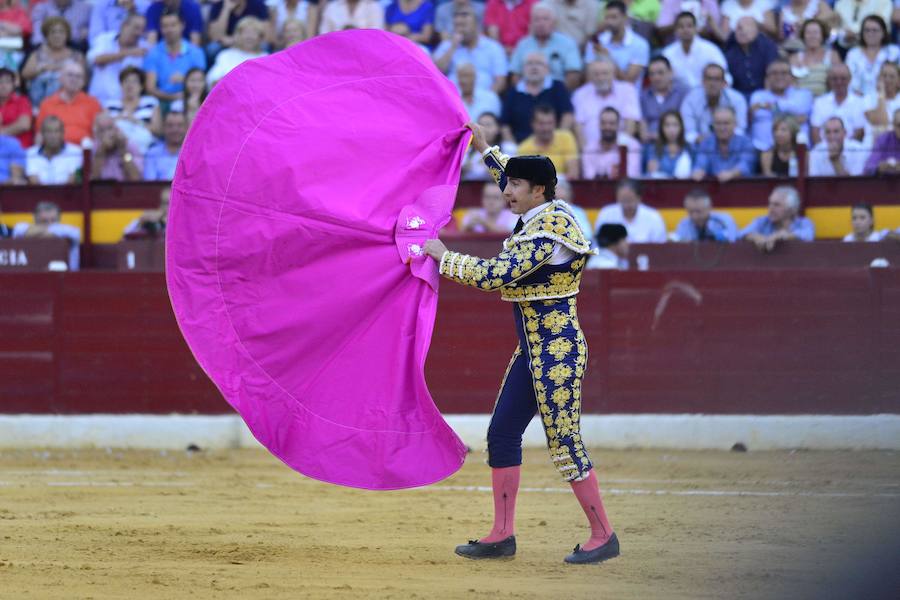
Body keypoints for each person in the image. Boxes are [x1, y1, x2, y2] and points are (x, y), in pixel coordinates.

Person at [423, 121, 619, 566]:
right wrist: (487, 150)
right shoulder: (543, 211)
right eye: (506, 181)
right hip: (534, 349)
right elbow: (513, 184)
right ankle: (502, 535)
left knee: (565, 442)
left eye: (515, 185)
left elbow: (497, 275)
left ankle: (604, 534)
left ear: (540, 191)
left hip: (558, 354)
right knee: (503, 433)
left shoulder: (548, 234)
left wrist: (443, 255)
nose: (506, 191)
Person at [433, 5, 508, 95]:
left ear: (477, 25)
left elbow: (500, 82)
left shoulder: (493, 47)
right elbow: (435, 74)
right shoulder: (447, 46)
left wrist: (486, 98)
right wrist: (453, 47)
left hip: (483, 101)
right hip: (454, 100)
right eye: (457, 26)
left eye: (463, 25)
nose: (460, 30)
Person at [502, 52, 574, 142]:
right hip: (520, 147)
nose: (534, 67)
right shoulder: (513, 92)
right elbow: (505, 124)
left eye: (539, 63)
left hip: (552, 144)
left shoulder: (558, 87)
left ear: (547, 69)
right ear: (522, 69)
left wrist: (560, 140)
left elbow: (567, 115)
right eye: (529, 64)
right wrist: (511, 147)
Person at [509, 2, 582, 90]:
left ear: (554, 23)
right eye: (537, 19)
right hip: (528, 93)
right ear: (531, 23)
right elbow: (515, 75)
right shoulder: (523, 44)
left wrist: (558, 94)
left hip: (557, 95)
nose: (541, 23)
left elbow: (573, 75)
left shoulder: (567, 44)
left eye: (545, 19)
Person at [571, 57, 641, 149]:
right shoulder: (580, 94)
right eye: (596, 74)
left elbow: (631, 123)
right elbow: (578, 128)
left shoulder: (627, 90)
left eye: (605, 73)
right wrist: (587, 154)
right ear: (590, 76)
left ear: (613, 74)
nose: (600, 78)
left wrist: (621, 151)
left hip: (620, 150)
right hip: (591, 153)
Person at [20, 16, 87, 108]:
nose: (57, 35)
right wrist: (43, 69)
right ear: (46, 35)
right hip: (38, 104)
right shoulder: (37, 54)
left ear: (67, 35)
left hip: (69, 104)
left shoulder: (77, 56)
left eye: (61, 32)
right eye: (53, 32)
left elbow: (83, 80)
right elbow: (25, 74)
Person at [749, 59, 813, 152]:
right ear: (767, 77)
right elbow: (755, 115)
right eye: (774, 73)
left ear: (791, 77)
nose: (779, 77)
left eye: (784, 73)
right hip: (761, 149)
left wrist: (768, 106)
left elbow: (800, 111)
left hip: (796, 151)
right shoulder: (758, 95)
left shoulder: (803, 94)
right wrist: (790, 116)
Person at [143, 10, 207, 103]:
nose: (169, 29)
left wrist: (184, 80)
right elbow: (150, 88)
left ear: (182, 25)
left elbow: (200, 84)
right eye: (165, 26)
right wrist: (173, 97)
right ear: (160, 28)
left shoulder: (196, 52)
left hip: (190, 100)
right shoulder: (153, 53)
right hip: (162, 101)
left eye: (173, 25)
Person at [36, 61, 103, 146]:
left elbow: (100, 134)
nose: (74, 79)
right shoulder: (47, 104)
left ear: (84, 81)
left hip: (85, 153)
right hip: (57, 153)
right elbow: (40, 135)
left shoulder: (93, 103)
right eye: (70, 75)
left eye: (78, 76)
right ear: (61, 78)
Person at [87, 13, 149, 105]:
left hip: (124, 106)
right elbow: (95, 59)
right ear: (124, 25)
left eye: (142, 30)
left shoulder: (145, 48)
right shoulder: (105, 39)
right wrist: (128, 53)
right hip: (97, 101)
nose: (139, 33)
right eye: (136, 27)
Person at [584, 1, 650, 87]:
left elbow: (629, 82)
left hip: (626, 98)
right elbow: (589, 80)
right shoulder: (595, 42)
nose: (609, 22)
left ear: (625, 18)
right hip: (597, 96)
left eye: (614, 17)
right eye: (607, 18)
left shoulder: (640, 45)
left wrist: (608, 58)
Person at [680, 63, 749, 145]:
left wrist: (721, 139)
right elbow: (688, 133)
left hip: (731, 145)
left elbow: (740, 130)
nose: (712, 83)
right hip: (700, 147)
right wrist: (708, 142)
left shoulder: (737, 99)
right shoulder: (690, 100)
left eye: (717, 79)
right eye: (709, 79)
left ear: (724, 83)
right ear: (702, 81)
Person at [661, 11, 727, 89]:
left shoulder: (710, 50)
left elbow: (724, 76)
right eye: (681, 27)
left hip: (707, 94)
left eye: (689, 26)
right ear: (675, 30)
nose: (685, 30)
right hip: (678, 96)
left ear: (696, 28)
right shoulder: (667, 53)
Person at [103, 66, 159, 155]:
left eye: (134, 81)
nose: (130, 85)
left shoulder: (151, 103)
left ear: (141, 86)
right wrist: (118, 118)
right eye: (126, 81)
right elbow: (103, 127)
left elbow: (157, 130)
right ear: (121, 85)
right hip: (115, 150)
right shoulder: (110, 105)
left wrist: (135, 121)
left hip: (146, 150)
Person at [740, 185, 815, 251]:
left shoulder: (803, 223)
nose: (770, 208)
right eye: (770, 204)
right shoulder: (762, 221)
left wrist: (783, 235)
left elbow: (808, 235)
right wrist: (756, 237)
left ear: (791, 209)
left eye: (777, 205)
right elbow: (741, 234)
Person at [11, 200, 81, 270]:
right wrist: (51, 234)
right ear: (35, 219)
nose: (49, 224)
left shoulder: (71, 231)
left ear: (59, 219)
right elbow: (18, 230)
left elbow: (75, 234)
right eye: (44, 221)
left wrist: (38, 232)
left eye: (53, 220)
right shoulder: (22, 227)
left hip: (67, 278)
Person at [692, 106, 756, 181]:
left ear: (735, 124)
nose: (722, 128)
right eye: (718, 123)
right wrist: (698, 172)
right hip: (713, 189)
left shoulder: (746, 143)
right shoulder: (706, 143)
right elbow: (700, 164)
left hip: (740, 189)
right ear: (713, 125)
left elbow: (746, 165)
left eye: (726, 123)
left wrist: (732, 173)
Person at [594, 178, 667, 243]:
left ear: (639, 198)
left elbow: (660, 247)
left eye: (630, 200)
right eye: (623, 200)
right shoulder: (606, 214)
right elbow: (598, 245)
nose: (626, 205)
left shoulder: (654, 217)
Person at [810, 64, 867, 144]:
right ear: (829, 80)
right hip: (824, 152)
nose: (839, 82)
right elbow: (815, 131)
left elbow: (859, 131)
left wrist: (843, 150)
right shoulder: (819, 102)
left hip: (851, 151)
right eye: (835, 79)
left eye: (843, 79)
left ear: (850, 79)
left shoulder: (860, 102)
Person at [517, 104, 579, 178]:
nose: (546, 128)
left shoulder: (566, 138)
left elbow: (573, 173)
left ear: (555, 123)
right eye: (541, 124)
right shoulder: (524, 148)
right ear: (533, 124)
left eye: (549, 123)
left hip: (563, 185)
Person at [724, 17, 780, 99]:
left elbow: (772, 74)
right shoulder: (730, 52)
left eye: (748, 26)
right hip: (739, 95)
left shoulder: (767, 47)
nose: (742, 30)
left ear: (757, 30)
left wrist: (766, 97)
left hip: (765, 93)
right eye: (739, 28)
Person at [845, 15, 900, 96]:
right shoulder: (853, 54)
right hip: (857, 99)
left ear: (884, 32)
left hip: (888, 98)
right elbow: (847, 79)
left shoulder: (894, 52)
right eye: (867, 30)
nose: (870, 33)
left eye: (875, 30)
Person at [581, 106, 641, 179]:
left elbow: (631, 175)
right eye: (603, 123)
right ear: (598, 125)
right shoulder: (589, 149)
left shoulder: (631, 145)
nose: (607, 127)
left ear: (618, 125)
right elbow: (589, 178)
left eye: (611, 123)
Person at [206, 16, 268, 86]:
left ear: (260, 37)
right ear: (238, 35)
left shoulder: (265, 58)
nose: (249, 37)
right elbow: (213, 79)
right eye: (246, 32)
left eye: (254, 33)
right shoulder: (226, 55)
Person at [640, 55, 688, 142]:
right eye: (652, 74)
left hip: (677, 142)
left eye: (660, 73)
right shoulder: (643, 96)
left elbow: (686, 123)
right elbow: (643, 126)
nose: (656, 77)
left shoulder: (683, 93)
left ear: (671, 72)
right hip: (651, 144)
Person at [790, 18, 842, 97]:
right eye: (808, 33)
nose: (812, 36)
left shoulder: (832, 56)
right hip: (800, 101)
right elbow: (791, 84)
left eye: (816, 32)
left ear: (822, 35)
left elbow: (838, 82)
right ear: (803, 36)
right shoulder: (794, 58)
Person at [26, 116, 83, 185]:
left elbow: (72, 182)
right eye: (49, 132)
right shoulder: (30, 153)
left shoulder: (76, 152)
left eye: (57, 131)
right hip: (39, 195)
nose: (53, 136)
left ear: (63, 133)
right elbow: (34, 182)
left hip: (67, 195)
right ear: (42, 134)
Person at [460, 111, 517, 180]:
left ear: (498, 128)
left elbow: (511, 177)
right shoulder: (466, 150)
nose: (485, 130)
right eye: (481, 125)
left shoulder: (509, 148)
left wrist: (491, 168)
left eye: (488, 125)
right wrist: (463, 169)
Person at [91, 111, 142, 181]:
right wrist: (102, 150)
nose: (107, 134)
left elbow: (136, 178)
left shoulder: (129, 145)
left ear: (117, 129)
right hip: (102, 190)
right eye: (102, 130)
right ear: (97, 134)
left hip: (125, 190)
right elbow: (93, 179)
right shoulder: (93, 147)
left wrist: (123, 151)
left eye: (110, 128)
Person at [674, 189, 738, 242]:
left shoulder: (724, 220)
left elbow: (733, 242)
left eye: (698, 211)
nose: (694, 216)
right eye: (690, 212)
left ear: (709, 208)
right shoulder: (684, 223)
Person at [643, 110, 693, 178]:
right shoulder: (653, 148)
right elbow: (649, 174)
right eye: (667, 125)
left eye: (675, 125)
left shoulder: (689, 148)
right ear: (661, 128)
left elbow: (696, 171)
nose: (671, 130)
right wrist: (650, 169)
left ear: (681, 127)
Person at [143, 110, 186, 180]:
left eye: (179, 125)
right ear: (163, 128)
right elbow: (149, 184)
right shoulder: (152, 153)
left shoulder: (192, 154)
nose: (175, 129)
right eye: (170, 125)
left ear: (186, 128)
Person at [863, 62, 900, 143]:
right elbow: (880, 121)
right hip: (872, 146)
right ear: (878, 78)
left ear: (898, 82)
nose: (887, 79)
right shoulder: (868, 98)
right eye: (884, 75)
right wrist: (881, 94)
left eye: (892, 76)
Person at [0, 67, 32, 149]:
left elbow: (24, 125)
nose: (3, 86)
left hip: (20, 150)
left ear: (13, 85)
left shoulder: (22, 101)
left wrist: (1, 132)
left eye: (8, 82)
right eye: (0, 82)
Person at [864, 107, 900, 175]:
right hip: (886, 182)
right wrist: (878, 168)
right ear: (893, 125)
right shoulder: (883, 139)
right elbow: (868, 168)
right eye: (899, 125)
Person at [318, 0, 384, 33]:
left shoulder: (373, 6)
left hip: (365, 53)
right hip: (335, 52)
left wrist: (353, 34)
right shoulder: (332, 7)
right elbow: (324, 34)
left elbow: (377, 35)